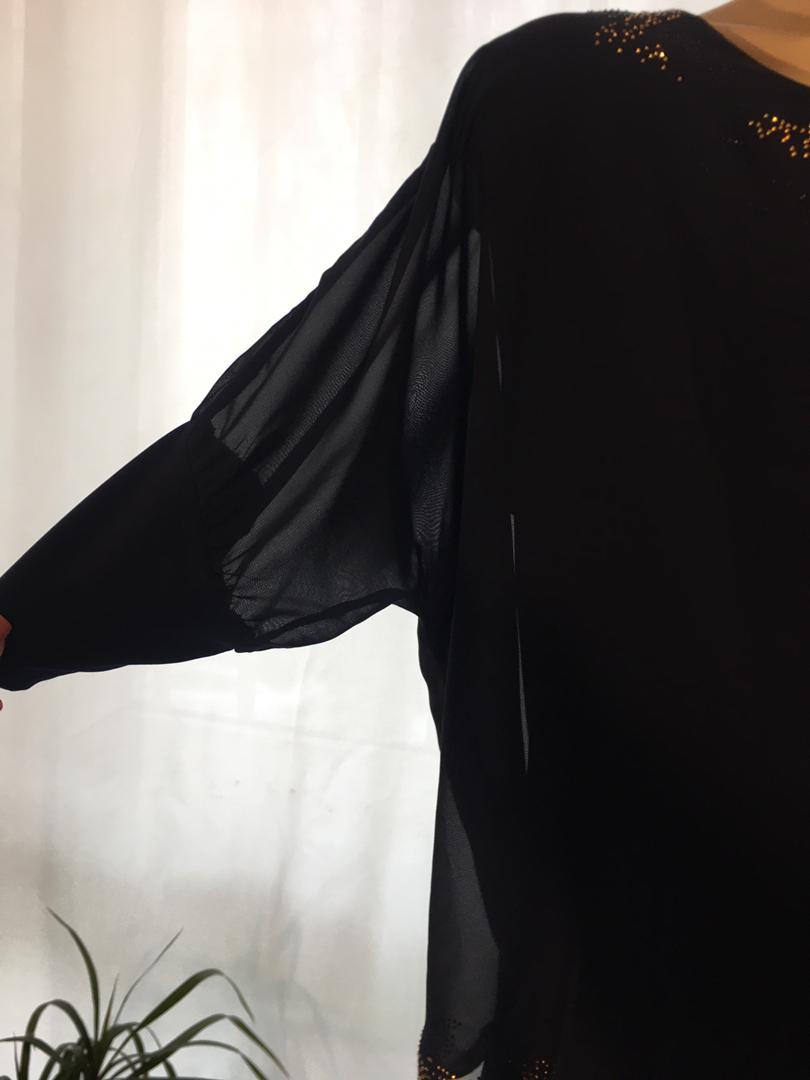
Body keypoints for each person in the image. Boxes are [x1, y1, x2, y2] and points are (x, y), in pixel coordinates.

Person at [3, 5, 810, 1076]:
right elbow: (323, 448)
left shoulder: (578, 94)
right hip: (666, 940)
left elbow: (312, 455)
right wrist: (35, 614)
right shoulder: (577, 103)